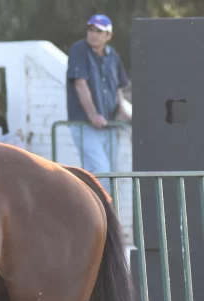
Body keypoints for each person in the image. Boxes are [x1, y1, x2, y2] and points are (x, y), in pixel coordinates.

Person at [66, 14, 130, 194]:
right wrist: (93, 115)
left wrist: (121, 110)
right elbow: (80, 83)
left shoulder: (113, 56)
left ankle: (104, 219)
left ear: (108, 35)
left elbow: (118, 86)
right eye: (91, 29)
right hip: (86, 126)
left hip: (109, 127)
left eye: (99, 31)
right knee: (100, 175)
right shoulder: (79, 49)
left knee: (109, 176)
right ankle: (100, 219)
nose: (93, 34)